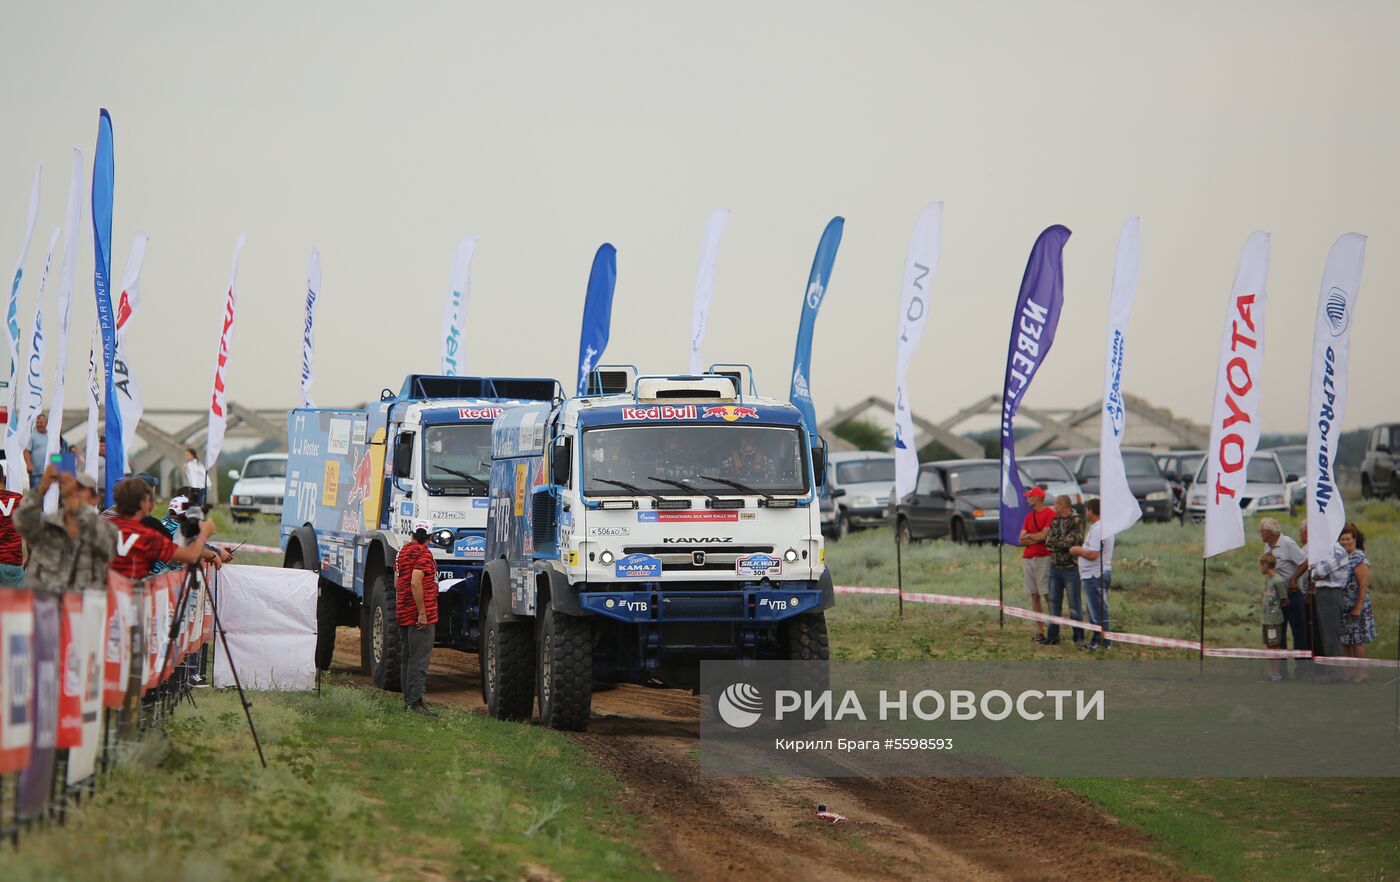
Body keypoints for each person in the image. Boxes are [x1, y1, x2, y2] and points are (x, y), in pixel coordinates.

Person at [14, 465, 118, 591]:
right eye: (71, 487)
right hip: (45, 603)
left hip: (83, 604)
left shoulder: (105, 528)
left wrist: (78, 511)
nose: (74, 492)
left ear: (94, 499)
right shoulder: (47, 524)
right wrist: (41, 489)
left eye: (80, 489)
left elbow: (106, 547)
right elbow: (21, 520)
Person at [106, 476, 213, 579]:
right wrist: (204, 532)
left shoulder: (104, 526)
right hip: (132, 592)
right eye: (150, 501)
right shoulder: (148, 535)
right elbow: (191, 556)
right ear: (143, 503)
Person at [396, 518, 439, 716]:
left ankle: (408, 700)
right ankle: (414, 704)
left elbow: (398, 583)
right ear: (430, 537)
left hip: (403, 611)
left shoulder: (402, 552)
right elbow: (416, 581)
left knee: (407, 659)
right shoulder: (424, 553)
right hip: (420, 614)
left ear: (412, 533)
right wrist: (422, 613)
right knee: (419, 661)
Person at [1070, 498, 1113, 650]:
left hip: (1094, 575)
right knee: (1099, 609)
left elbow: (1093, 555)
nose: (1085, 513)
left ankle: (1100, 642)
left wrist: (1077, 550)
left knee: (1096, 611)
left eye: (1086, 510)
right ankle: (1102, 640)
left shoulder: (1097, 530)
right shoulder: (1102, 527)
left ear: (1090, 510)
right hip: (1096, 574)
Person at [1259, 518, 1308, 651]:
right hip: (1276, 597)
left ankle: (1302, 669)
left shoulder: (1287, 543)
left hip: (1292, 593)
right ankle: (1280, 670)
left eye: (1262, 531)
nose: (1260, 534)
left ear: (1271, 532)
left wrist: (1294, 578)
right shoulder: (1267, 547)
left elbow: (1305, 562)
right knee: (1279, 633)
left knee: (1299, 632)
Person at [1043, 494, 1085, 646]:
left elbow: (1073, 541)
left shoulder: (1076, 520)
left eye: (1057, 504)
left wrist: (1057, 543)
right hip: (1055, 567)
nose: (1054, 507)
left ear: (1065, 505)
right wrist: (1059, 543)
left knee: (1074, 604)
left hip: (1070, 568)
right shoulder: (1055, 520)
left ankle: (1078, 637)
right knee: (1054, 603)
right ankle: (1053, 636)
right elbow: (1048, 541)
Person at [1335, 523, 1374, 683]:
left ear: (1354, 539)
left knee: (1357, 640)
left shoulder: (1359, 558)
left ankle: (1361, 672)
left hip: (1357, 606)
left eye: (1348, 539)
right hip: (1342, 606)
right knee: (1345, 641)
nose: (1345, 542)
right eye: (1342, 539)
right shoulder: (1340, 557)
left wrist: (1358, 606)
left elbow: (1363, 585)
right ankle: (1349, 672)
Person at [1307, 526, 1352, 660]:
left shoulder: (1338, 552)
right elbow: (1313, 570)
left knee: (1332, 634)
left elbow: (1319, 572)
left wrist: (1315, 573)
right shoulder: (1322, 551)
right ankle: (1330, 669)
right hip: (1322, 592)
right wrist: (1315, 572)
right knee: (1325, 634)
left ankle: (1336, 672)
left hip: (1331, 593)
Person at [1018, 486, 1055, 644]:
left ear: (1038, 498)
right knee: (1034, 594)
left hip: (1043, 557)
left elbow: (1045, 535)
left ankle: (1053, 629)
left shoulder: (1050, 514)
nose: (1027, 499)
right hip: (1028, 558)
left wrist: (1030, 537)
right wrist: (1035, 537)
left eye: (1030, 497)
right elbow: (1021, 539)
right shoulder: (1028, 517)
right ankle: (1040, 631)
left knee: (1047, 594)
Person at [1258, 552, 1288, 682]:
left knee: (1275, 645)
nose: (1260, 568)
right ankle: (1271, 673)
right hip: (1267, 618)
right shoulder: (1268, 580)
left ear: (1266, 565)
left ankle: (1276, 674)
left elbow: (1285, 600)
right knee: (1269, 646)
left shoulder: (1278, 581)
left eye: (1261, 565)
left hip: (1274, 620)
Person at [0, 479, 24, 586]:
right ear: (2, 478)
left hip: (11, 561)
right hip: (11, 561)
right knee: (14, 602)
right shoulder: (18, 499)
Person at [22, 413, 50, 488]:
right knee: (36, 496)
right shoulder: (32, 436)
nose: (39, 424)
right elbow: (26, 451)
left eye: (41, 422)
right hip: (36, 474)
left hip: (49, 474)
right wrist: (29, 465)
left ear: (46, 423)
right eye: (37, 422)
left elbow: (56, 454)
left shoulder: (51, 436)